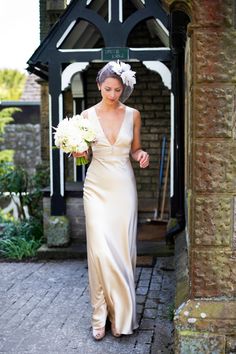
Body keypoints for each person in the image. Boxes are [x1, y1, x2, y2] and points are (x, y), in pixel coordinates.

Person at [73, 61, 149, 340]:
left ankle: (120, 315)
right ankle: (98, 315)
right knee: (99, 252)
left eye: (118, 90)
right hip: (96, 187)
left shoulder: (133, 114)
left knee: (121, 251)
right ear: (99, 86)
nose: (113, 95)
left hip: (123, 187)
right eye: (108, 89)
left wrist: (140, 155)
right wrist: (77, 151)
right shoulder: (85, 116)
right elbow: (84, 156)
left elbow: (135, 148)